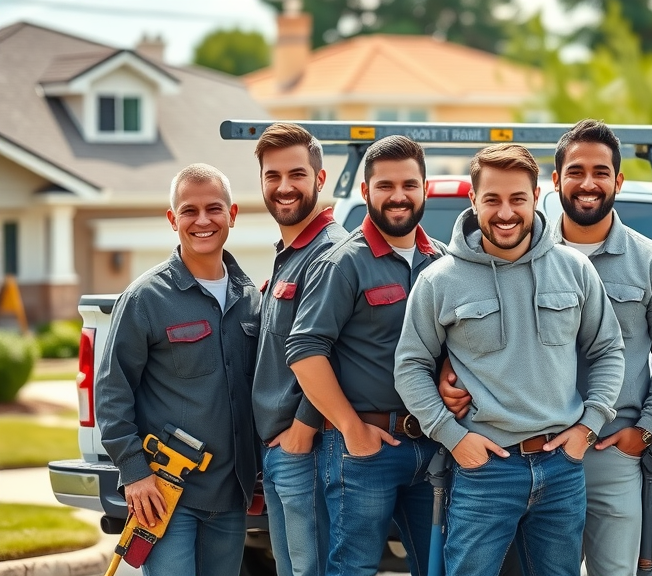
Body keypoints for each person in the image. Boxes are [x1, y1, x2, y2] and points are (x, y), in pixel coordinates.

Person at [437, 120, 652, 576]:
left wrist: (647, 429)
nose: (588, 183)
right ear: (554, 182)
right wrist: (445, 372)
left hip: (613, 446)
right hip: (523, 451)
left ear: (618, 181)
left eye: (600, 172)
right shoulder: (515, 250)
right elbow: (463, 334)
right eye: (575, 172)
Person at [394, 143, 626, 576]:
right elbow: (410, 366)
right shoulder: (439, 281)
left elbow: (609, 349)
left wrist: (588, 426)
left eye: (517, 198)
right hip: (484, 470)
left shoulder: (574, 269)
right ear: (473, 200)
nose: (505, 213)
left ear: (536, 197)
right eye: (492, 199)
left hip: (561, 468)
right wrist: (452, 437)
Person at [285, 135, 446, 576]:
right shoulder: (343, 263)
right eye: (385, 185)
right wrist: (351, 428)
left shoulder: (442, 262)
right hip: (364, 451)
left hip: (434, 445)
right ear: (365, 191)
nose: (398, 196)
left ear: (425, 189)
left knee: (441, 567)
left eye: (409, 185)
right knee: (353, 569)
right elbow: (304, 350)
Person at [96, 163, 260, 576]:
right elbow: (112, 392)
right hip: (165, 494)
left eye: (214, 208)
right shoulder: (145, 299)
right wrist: (134, 473)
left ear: (232, 214)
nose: (202, 220)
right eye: (189, 210)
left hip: (231, 495)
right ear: (173, 219)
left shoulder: (251, 299)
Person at [251, 123, 347, 576]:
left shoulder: (330, 254)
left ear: (320, 179)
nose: (284, 186)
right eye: (273, 176)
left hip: (308, 449)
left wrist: (303, 429)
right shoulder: (290, 252)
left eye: (297, 174)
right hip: (280, 450)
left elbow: (338, 349)